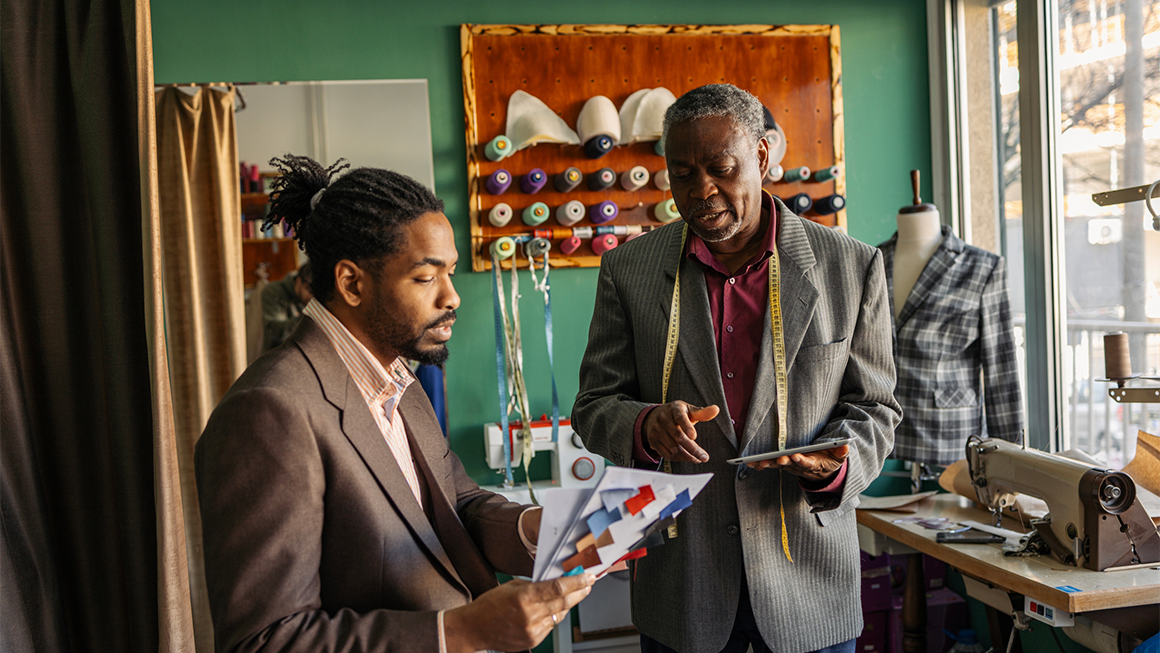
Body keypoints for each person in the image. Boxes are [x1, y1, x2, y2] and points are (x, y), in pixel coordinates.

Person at [196, 155, 594, 653]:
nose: (452, 297)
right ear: (352, 283)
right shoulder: (268, 413)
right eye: (427, 278)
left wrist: (541, 529)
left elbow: (458, 505)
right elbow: (265, 641)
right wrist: (459, 631)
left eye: (449, 273)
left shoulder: (397, 376)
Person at [573, 84, 901, 653]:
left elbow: (876, 407)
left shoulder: (851, 266)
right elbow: (594, 405)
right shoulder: (629, 270)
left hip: (808, 581)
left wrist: (835, 467)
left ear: (764, 156)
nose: (701, 191)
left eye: (722, 168)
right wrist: (645, 426)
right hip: (684, 580)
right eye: (682, 174)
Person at [260, 260, 312, 352]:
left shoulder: (308, 298)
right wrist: (308, 316)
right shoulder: (273, 292)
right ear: (299, 282)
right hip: (277, 358)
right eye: (309, 290)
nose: (312, 296)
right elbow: (275, 331)